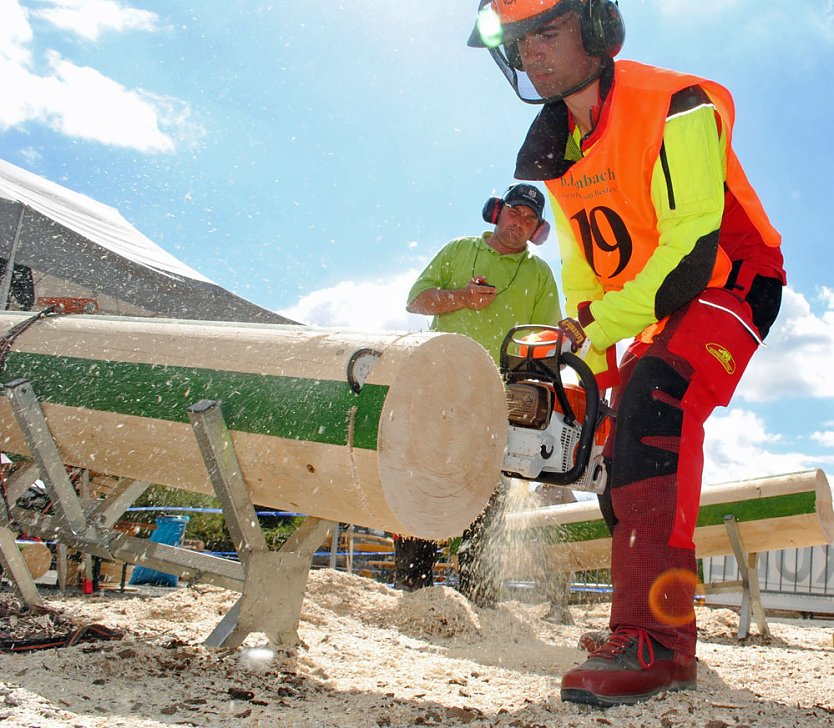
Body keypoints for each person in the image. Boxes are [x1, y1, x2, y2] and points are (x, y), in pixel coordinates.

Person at [468, 0, 785, 707]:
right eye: (520, 45)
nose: (533, 55)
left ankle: (658, 641)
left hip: (727, 276)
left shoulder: (678, 104)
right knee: (613, 435)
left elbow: (689, 251)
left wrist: (594, 337)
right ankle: (639, 620)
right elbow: (585, 270)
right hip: (647, 301)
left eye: (546, 33)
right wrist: (589, 368)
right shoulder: (558, 151)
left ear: (597, 28)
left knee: (655, 403)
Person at [396, 183, 562, 601]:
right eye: (514, 213)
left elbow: (546, 342)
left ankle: (477, 596)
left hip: (498, 400)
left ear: (538, 230)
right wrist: (461, 298)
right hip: (438, 386)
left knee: (488, 495)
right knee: (426, 483)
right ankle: (415, 592)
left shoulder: (540, 274)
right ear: (497, 211)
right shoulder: (458, 249)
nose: (519, 224)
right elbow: (417, 301)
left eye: (529, 220)